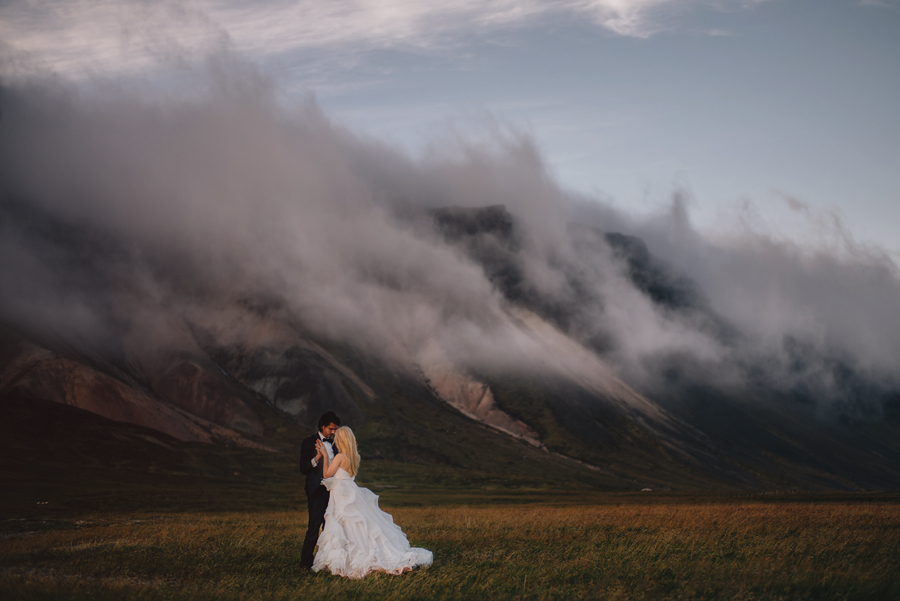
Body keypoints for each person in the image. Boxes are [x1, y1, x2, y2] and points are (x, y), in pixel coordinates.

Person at [312, 426, 433, 579]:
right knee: (359, 524)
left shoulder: (340, 457)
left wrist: (324, 456)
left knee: (345, 524)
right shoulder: (354, 457)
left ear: (340, 440)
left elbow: (326, 474)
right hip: (352, 491)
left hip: (342, 494)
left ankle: (347, 557)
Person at [298, 411, 341, 569]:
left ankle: (330, 562)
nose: (333, 432)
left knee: (333, 527)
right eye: (331, 429)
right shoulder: (308, 442)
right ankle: (305, 564)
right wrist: (317, 458)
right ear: (322, 427)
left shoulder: (336, 443)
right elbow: (303, 468)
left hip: (335, 491)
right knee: (314, 527)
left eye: (335, 429)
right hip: (317, 490)